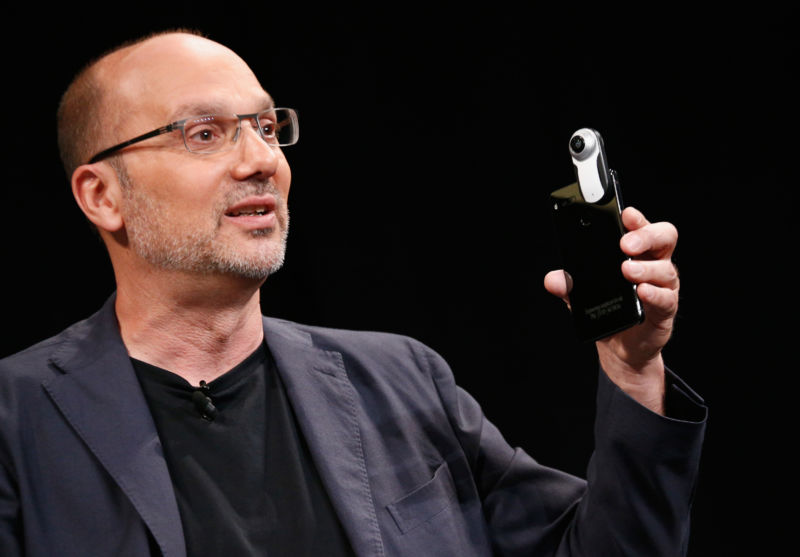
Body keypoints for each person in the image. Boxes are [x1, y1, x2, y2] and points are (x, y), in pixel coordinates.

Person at [0, 30, 706, 557]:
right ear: (101, 196)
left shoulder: (401, 379)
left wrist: (630, 366)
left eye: (268, 127)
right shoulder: (17, 415)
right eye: (205, 133)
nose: (260, 161)